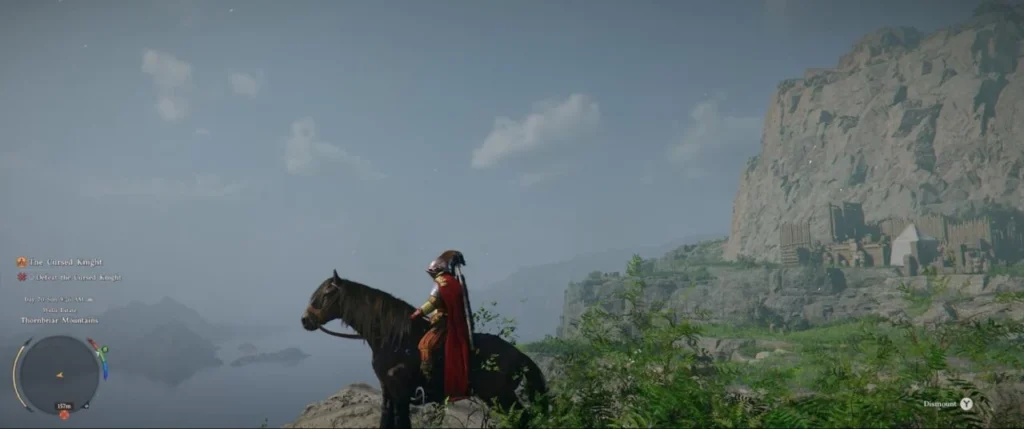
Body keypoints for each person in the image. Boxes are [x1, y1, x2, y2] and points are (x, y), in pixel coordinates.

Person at [409, 250, 474, 399]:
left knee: (425, 345)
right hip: (448, 320)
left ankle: (429, 385)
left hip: (444, 323)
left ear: (437, 271)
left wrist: (419, 313)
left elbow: (432, 302)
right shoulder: (452, 282)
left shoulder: (440, 283)